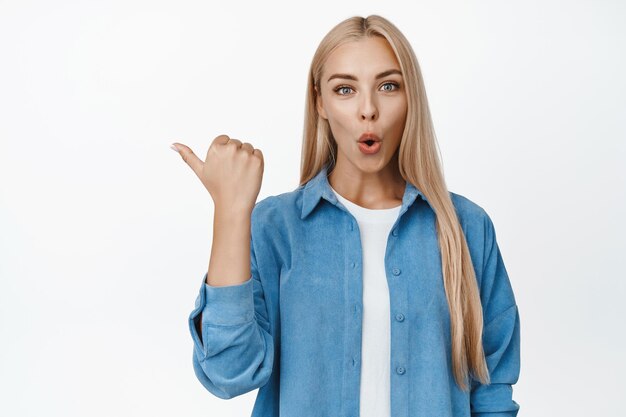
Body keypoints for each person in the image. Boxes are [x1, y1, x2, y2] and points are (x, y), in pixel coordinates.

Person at [171, 14, 521, 417]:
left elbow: (493, 391)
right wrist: (231, 213)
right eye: (345, 89)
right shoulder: (274, 228)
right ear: (320, 102)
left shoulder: (467, 229)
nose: (367, 110)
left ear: (412, 99)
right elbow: (228, 374)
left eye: (388, 86)